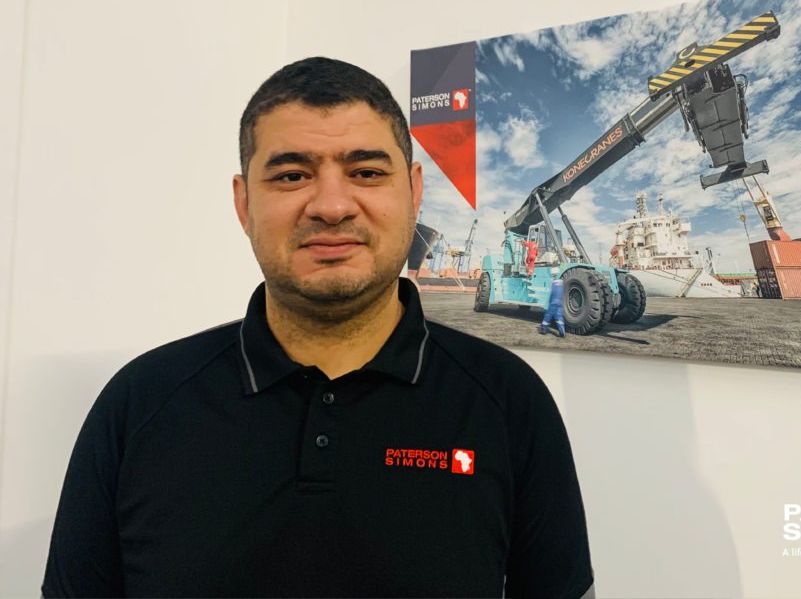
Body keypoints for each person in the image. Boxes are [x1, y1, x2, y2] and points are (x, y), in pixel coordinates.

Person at [42, 58, 594, 598]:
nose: (331, 206)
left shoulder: (509, 403)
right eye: (292, 175)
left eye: (367, 172)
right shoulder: (139, 404)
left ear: (413, 191)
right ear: (243, 203)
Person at [539, 267, 566, 337]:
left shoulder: (553, 282)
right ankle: (562, 332)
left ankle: (543, 330)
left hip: (553, 302)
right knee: (559, 317)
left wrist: (548, 302)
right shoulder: (561, 282)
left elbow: (552, 293)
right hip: (559, 303)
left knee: (548, 316)